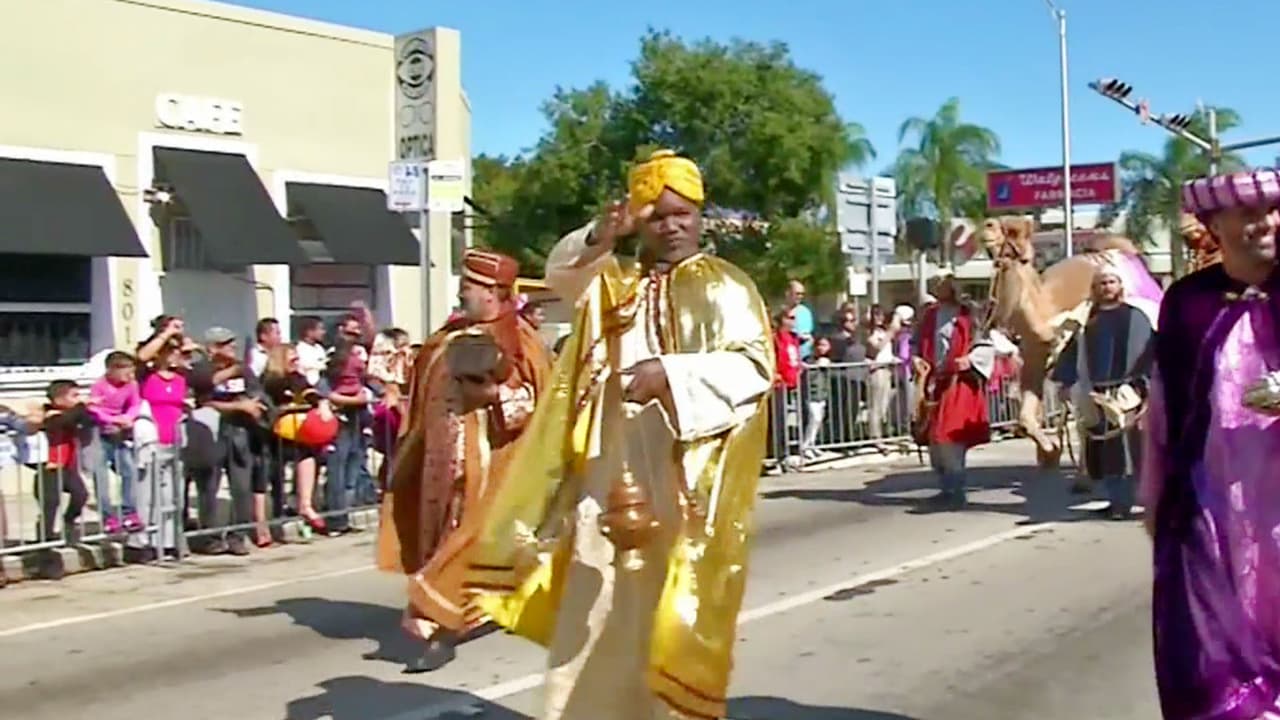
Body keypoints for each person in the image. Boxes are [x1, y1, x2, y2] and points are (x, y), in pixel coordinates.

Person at [467, 149, 774, 720]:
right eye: (656, 216)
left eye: (682, 213)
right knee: (595, 611)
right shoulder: (614, 281)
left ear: (700, 216)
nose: (671, 226)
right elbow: (561, 274)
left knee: (669, 613)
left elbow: (755, 368)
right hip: (607, 478)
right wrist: (599, 236)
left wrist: (671, 377)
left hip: (683, 479)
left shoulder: (728, 286)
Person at [1141, 168, 1280, 719]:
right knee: (1208, 653)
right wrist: (1155, 494)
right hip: (1210, 506)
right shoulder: (1187, 300)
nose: (1265, 223)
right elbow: (1165, 404)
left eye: (1271, 210)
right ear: (1214, 225)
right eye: (1248, 214)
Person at [377, 248, 551, 674]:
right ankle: (484, 606)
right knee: (440, 542)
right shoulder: (450, 335)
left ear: (493, 292)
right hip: (437, 461)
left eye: (469, 286)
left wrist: (493, 396)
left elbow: (542, 402)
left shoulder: (520, 339)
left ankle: (440, 630)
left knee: (463, 544)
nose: (461, 292)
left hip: (486, 466)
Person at [1052, 265, 1154, 520]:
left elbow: (1149, 353)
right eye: (1102, 283)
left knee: (1129, 448)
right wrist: (1065, 382)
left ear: (1120, 286)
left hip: (1127, 393)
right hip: (1095, 394)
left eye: (1111, 282)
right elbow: (1073, 353)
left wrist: (1144, 387)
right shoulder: (1088, 322)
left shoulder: (1135, 317)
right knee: (1106, 449)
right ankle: (1115, 500)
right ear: (1095, 288)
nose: (1107, 287)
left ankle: (1131, 501)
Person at [912, 269, 994, 510]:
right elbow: (916, 343)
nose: (939, 288)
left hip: (960, 383)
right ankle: (946, 488)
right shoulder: (930, 314)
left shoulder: (970, 315)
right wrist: (916, 358)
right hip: (934, 383)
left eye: (944, 284)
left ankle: (957, 491)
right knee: (934, 441)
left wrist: (971, 359)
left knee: (950, 437)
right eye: (936, 284)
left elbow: (987, 344)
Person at [87, 350, 142, 534]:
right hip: (99, 433)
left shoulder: (131, 385)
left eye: (132, 371)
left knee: (129, 471)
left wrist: (128, 418)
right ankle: (107, 517)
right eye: (126, 371)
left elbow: (135, 404)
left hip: (119, 433)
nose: (130, 376)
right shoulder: (99, 386)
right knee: (101, 476)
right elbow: (94, 409)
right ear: (112, 369)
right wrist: (111, 420)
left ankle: (129, 512)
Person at [784, 279, 814, 360]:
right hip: (786, 356)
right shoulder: (781, 313)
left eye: (802, 294)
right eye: (797, 293)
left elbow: (810, 333)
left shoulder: (806, 312)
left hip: (804, 356)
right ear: (788, 293)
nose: (800, 296)